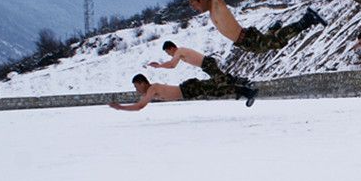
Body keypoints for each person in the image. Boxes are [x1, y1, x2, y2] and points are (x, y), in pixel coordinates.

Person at [187, 0, 327, 53]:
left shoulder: (217, 5)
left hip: (247, 37)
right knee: (269, 45)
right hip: (243, 43)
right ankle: (273, 29)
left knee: (276, 42)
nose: (194, 8)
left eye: (194, 4)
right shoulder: (210, 11)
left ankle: (307, 19)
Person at [108, 73, 257, 111]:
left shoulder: (152, 89)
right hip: (188, 90)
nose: (136, 89)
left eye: (136, 86)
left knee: (215, 88)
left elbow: (140, 106)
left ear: (142, 83)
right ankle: (243, 88)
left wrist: (120, 107)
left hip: (188, 89)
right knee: (215, 89)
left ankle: (244, 86)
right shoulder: (151, 90)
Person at [148, 40, 245, 85]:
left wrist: (159, 66)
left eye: (167, 52)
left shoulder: (179, 51)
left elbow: (172, 65)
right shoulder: (180, 52)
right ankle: (240, 85)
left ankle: (242, 83)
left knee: (221, 80)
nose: (168, 54)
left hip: (207, 63)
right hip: (206, 64)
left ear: (172, 48)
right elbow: (172, 64)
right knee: (221, 79)